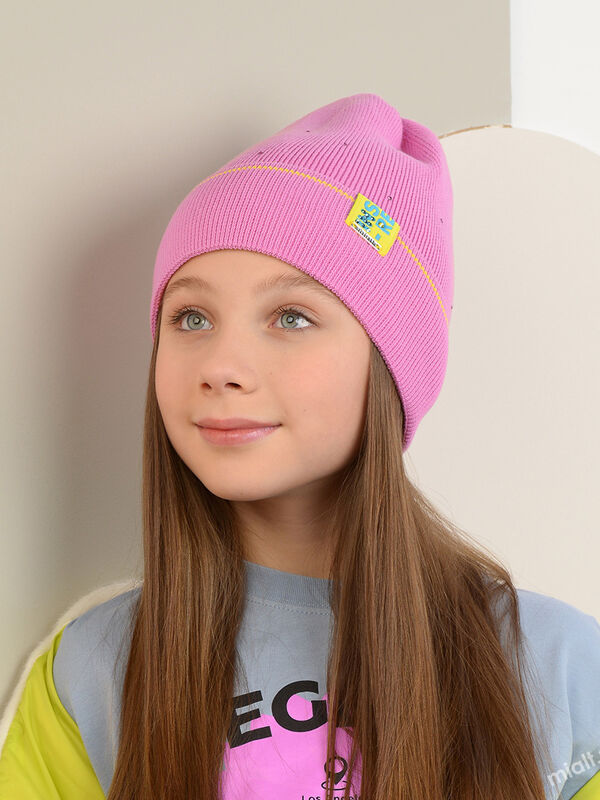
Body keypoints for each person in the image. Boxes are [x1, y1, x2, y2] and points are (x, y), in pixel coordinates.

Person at [0, 92, 598, 800]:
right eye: (190, 317)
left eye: (290, 316)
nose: (221, 366)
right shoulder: (89, 678)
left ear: (390, 367)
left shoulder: (561, 672)